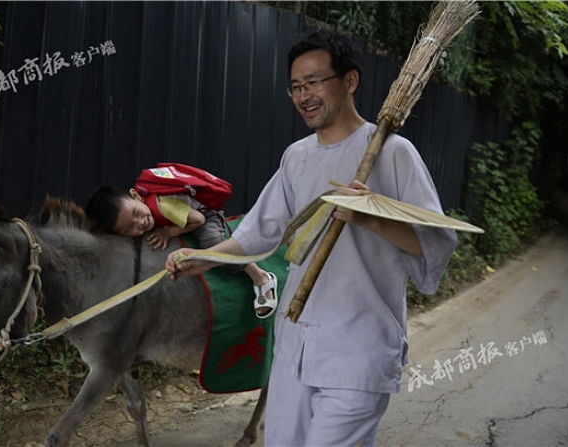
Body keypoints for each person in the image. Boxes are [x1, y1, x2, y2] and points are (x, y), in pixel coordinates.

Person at [165, 31, 457, 445]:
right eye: (296, 87)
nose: (304, 96)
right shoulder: (296, 157)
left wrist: (373, 218)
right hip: (295, 345)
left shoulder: (394, 152)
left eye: (315, 82)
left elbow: (437, 242)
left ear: (349, 81)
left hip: (358, 349)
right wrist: (206, 258)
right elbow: (259, 231)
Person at [85, 183, 278, 318]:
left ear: (136, 196)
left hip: (203, 214)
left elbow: (198, 220)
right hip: (183, 220)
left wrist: (168, 231)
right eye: (129, 228)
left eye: (136, 213)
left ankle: (260, 276)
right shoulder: (143, 215)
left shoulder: (163, 205)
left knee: (213, 244)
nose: (140, 223)